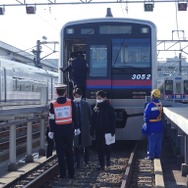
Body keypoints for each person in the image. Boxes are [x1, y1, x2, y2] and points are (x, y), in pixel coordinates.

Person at [48, 83, 80, 179]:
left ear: (56, 93)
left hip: (58, 132)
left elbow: (52, 119)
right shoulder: (70, 102)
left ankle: (62, 174)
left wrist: (51, 130)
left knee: (60, 153)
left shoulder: (53, 104)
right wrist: (77, 128)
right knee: (70, 152)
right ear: (65, 92)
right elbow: (75, 116)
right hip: (69, 131)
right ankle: (71, 173)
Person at [90, 90, 116, 170]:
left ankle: (108, 161)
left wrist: (112, 130)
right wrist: (92, 129)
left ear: (104, 98)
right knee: (99, 148)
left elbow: (113, 120)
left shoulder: (109, 107)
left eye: (100, 98)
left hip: (107, 131)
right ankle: (101, 164)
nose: (98, 99)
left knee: (107, 147)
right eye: (97, 98)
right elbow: (93, 120)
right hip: (98, 131)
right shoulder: (95, 107)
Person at [72, 88, 92, 168]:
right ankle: (77, 162)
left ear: (81, 96)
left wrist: (89, 125)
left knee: (86, 145)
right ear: (73, 96)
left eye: (79, 96)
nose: (77, 97)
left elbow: (90, 115)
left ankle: (86, 161)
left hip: (84, 127)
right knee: (75, 146)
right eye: (76, 96)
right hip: (74, 128)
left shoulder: (86, 104)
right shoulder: (71, 104)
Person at [144, 89, 163, 160]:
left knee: (151, 142)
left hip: (152, 126)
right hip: (159, 126)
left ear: (153, 96)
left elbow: (146, 117)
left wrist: (146, 123)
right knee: (158, 142)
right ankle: (158, 155)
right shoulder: (160, 105)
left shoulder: (150, 105)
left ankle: (151, 156)